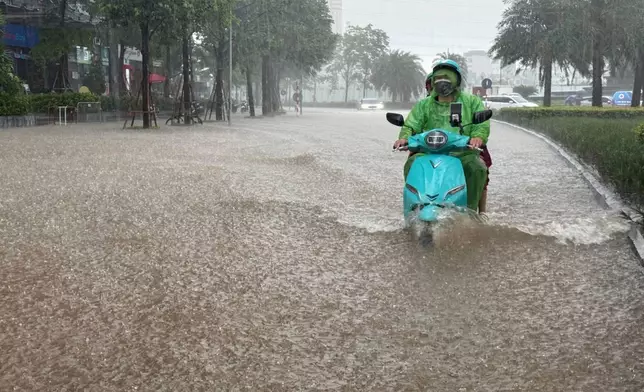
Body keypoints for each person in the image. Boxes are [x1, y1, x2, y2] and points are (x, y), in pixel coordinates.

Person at [393, 59, 490, 213]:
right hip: (429, 152)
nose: (442, 82)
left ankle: (470, 212)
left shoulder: (472, 102)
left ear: (456, 80)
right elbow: (411, 124)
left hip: (463, 153)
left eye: (447, 77)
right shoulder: (424, 105)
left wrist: (477, 137)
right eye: (438, 78)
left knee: (476, 167)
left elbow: (481, 125)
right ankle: (414, 208)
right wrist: (404, 137)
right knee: (412, 163)